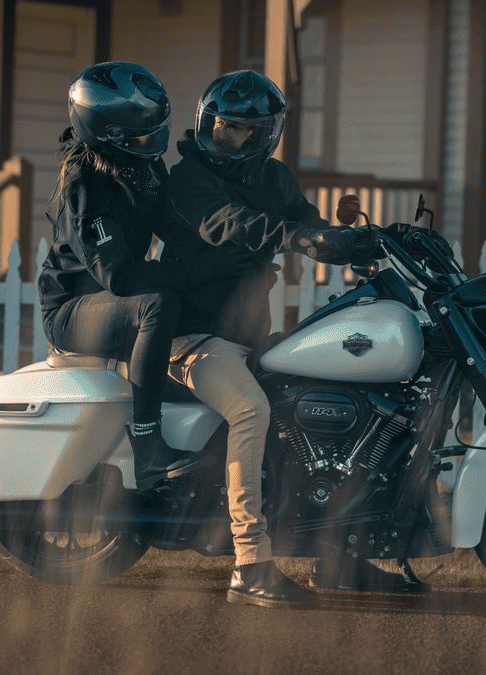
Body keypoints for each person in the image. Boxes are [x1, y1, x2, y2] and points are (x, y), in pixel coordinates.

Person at [162, 70, 429, 601]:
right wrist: (299, 236)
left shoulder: (275, 178)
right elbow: (229, 223)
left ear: (264, 135)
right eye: (220, 127)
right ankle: (250, 566)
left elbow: (307, 221)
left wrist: (359, 240)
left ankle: (340, 560)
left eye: (240, 130)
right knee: (250, 411)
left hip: (248, 338)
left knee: (336, 408)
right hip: (190, 338)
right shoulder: (187, 179)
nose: (227, 138)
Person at [37, 62, 260, 491]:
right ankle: (148, 447)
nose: (153, 142)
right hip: (70, 312)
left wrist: (234, 244)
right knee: (158, 303)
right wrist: (206, 267)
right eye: (141, 134)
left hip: (115, 302)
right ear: (109, 134)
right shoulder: (83, 185)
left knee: (186, 294)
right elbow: (121, 277)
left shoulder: (144, 167)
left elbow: (175, 229)